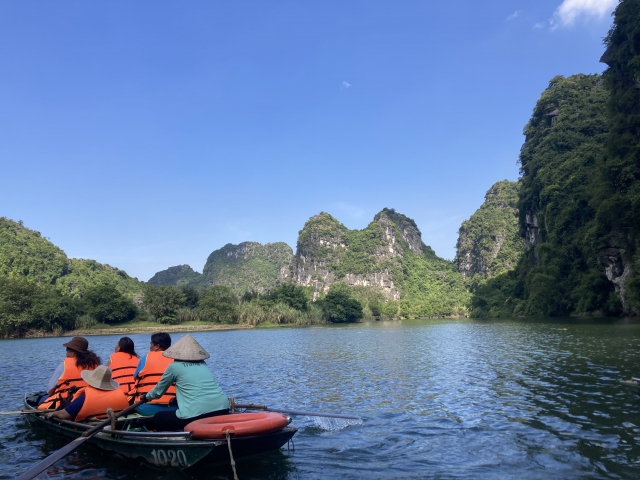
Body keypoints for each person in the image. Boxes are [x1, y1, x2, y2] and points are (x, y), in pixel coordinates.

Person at [140, 334, 229, 431]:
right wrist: (176, 399)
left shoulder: (174, 366)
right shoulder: (203, 364)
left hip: (197, 413)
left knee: (159, 418)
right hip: (223, 408)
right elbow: (198, 388)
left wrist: (146, 397)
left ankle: (172, 438)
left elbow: (158, 391)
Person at [46, 366, 130, 422]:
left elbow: (64, 414)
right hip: (115, 424)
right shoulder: (120, 394)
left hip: (90, 427)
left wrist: (54, 413)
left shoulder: (85, 397)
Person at [38, 336, 101, 410]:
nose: (66, 352)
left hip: (66, 403)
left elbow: (49, 390)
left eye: (67, 349)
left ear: (74, 352)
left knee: (40, 399)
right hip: (89, 401)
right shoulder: (95, 365)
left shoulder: (63, 366)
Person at [128, 332, 176, 405]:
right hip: (172, 405)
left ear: (157, 346)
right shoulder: (176, 359)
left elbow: (135, 377)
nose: (150, 347)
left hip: (146, 404)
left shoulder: (145, 358)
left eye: (151, 344)